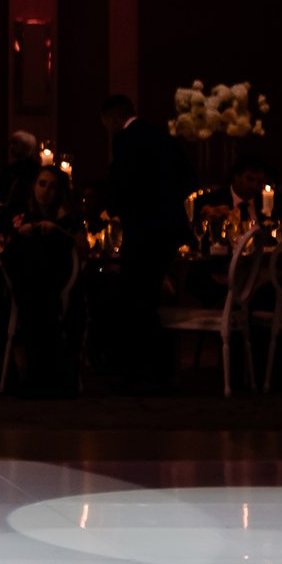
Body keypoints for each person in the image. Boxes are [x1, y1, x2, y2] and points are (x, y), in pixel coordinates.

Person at [101, 93, 194, 384]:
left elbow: (124, 182)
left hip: (144, 230)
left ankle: (149, 370)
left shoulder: (126, 139)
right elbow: (189, 178)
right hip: (170, 228)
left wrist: (114, 210)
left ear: (113, 118)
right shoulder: (159, 135)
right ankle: (153, 368)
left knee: (135, 297)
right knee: (144, 295)